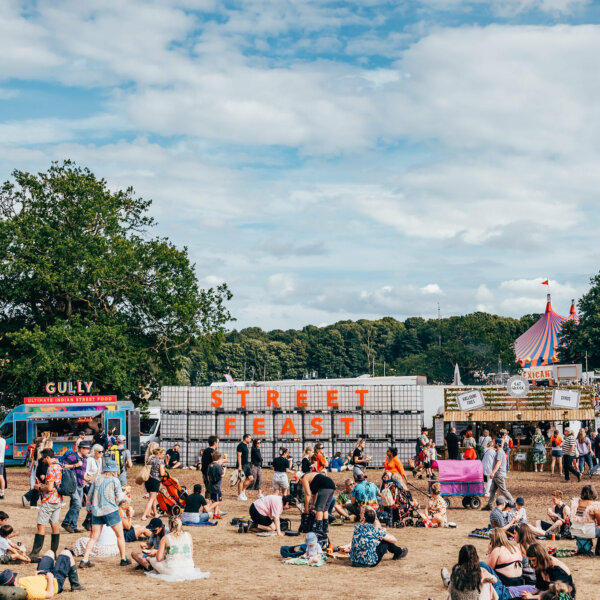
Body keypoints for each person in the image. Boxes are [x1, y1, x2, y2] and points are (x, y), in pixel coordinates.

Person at [78, 459, 130, 568]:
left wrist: (88, 507)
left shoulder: (97, 479)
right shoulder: (115, 480)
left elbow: (90, 495)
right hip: (111, 511)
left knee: (93, 537)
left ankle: (85, 559)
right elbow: (120, 498)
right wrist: (125, 494)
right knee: (120, 535)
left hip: (97, 511)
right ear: (114, 470)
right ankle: (123, 558)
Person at [145, 515, 208, 581]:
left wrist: (162, 555)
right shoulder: (188, 535)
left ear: (169, 526)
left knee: (152, 560)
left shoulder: (166, 538)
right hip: (189, 568)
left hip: (172, 571)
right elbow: (191, 554)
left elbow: (158, 559)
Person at [0, 549, 85, 596]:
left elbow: (32, 582)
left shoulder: (19, 583)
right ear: (14, 582)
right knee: (66, 552)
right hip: (55, 581)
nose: (17, 577)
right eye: (15, 577)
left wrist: (34, 576)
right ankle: (75, 585)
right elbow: (49, 594)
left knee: (50, 552)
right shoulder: (29, 592)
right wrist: (50, 579)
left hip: (42, 574)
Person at [29, 449, 63, 563]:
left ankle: (35, 553)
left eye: (43, 458)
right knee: (54, 525)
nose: (42, 461)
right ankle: (54, 552)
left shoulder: (51, 468)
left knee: (41, 525)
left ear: (47, 457)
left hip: (49, 500)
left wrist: (38, 487)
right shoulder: (60, 465)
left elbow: (49, 488)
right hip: (58, 499)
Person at [61, 441, 91, 534]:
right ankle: (66, 523)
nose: (88, 450)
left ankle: (73, 526)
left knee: (77, 506)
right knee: (77, 504)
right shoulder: (73, 456)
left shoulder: (85, 459)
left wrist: (85, 480)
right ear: (81, 449)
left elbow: (83, 472)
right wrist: (75, 465)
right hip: (71, 484)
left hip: (80, 484)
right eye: (86, 449)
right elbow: (62, 466)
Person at [483, 438, 514, 510]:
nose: (494, 444)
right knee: (492, 490)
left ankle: (512, 502)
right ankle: (489, 505)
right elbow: (494, 449)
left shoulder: (499, 452)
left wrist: (493, 472)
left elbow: (498, 463)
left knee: (503, 490)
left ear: (497, 444)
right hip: (497, 475)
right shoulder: (500, 451)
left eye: (494, 443)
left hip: (498, 474)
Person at [141, 447, 166, 520]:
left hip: (148, 480)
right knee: (151, 499)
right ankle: (144, 516)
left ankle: (155, 513)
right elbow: (162, 473)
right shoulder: (160, 461)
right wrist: (164, 469)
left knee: (153, 497)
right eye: (163, 454)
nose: (163, 455)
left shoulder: (150, 459)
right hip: (155, 481)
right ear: (159, 453)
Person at [207, 451, 225, 518]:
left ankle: (216, 514)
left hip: (211, 485)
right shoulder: (218, 466)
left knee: (214, 500)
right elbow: (222, 475)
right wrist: (224, 470)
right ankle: (209, 509)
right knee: (218, 501)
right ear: (219, 458)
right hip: (217, 486)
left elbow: (208, 475)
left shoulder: (210, 465)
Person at [236, 434, 254, 501]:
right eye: (249, 438)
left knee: (250, 478)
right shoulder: (240, 445)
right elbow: (239, 456)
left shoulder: (246, 446)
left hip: (246, 464)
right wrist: (240, 466)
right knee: (242, 480)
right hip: (242, 465)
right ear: (245, 438)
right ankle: (239, 495)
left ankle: (243, 491)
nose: (250, 439)